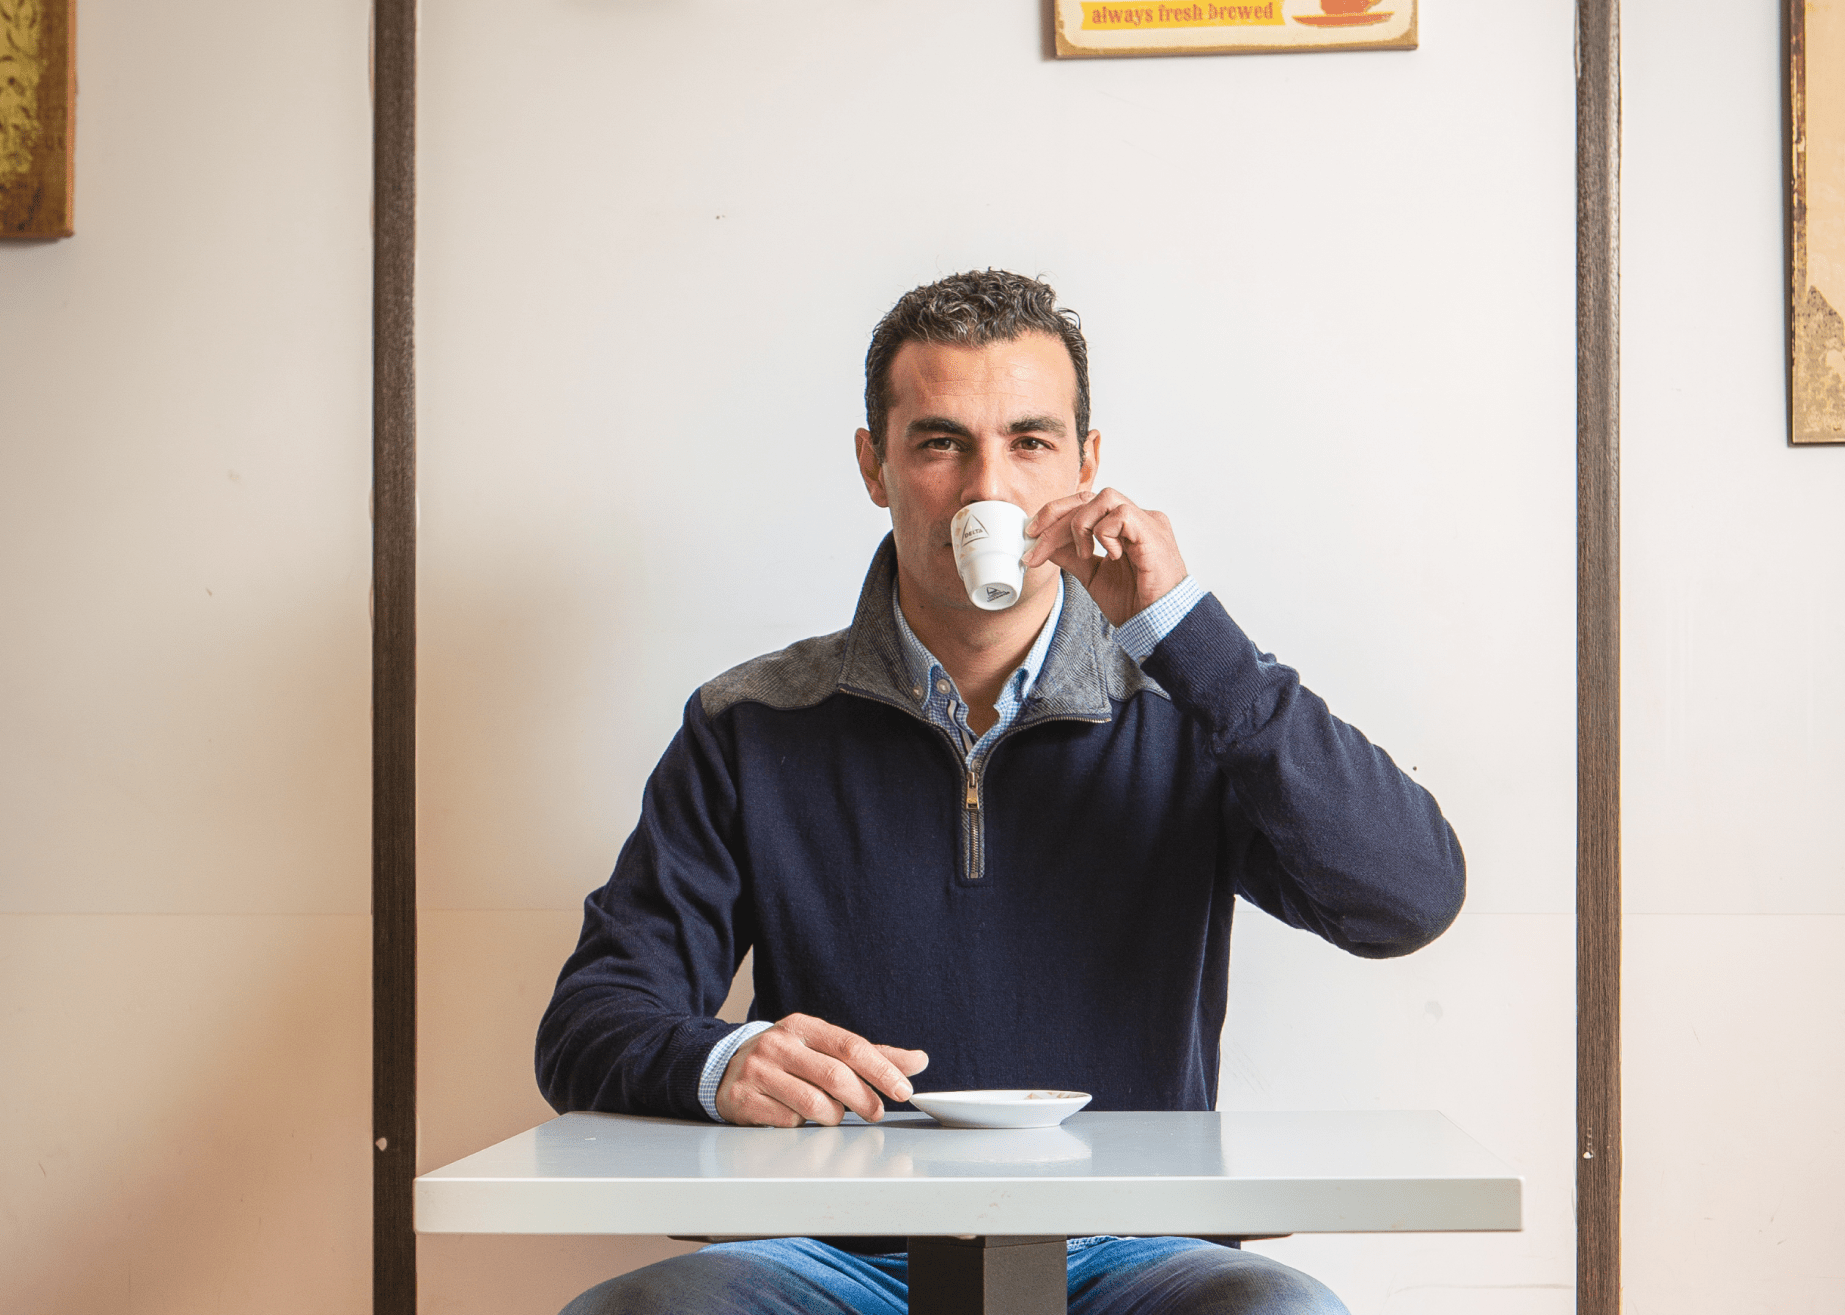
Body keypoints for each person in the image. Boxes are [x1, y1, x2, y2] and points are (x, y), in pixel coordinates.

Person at [539, 269, 1466, 1314]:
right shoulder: (751, 723)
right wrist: (722, 1060)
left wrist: (1182, 632)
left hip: (1137, 1252)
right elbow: (589, 1020)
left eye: (1029, 441)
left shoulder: (1192, 711)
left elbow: (1409, 897)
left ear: (1086, 465)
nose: (989, 490)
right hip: (823, 1253)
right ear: (874, 466)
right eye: (941, 443)